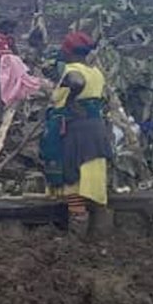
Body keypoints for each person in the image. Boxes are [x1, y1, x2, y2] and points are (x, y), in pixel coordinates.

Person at [42, 31, 112, 235]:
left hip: (75, 132)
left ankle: (76, 237)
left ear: (69, 51)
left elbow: (76, 82)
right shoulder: (96, 72)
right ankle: (101, 229)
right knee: (92, 177)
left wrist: (71, 100)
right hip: (95, 130)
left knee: (73, 179)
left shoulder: (72, 69)